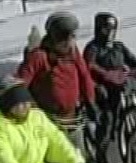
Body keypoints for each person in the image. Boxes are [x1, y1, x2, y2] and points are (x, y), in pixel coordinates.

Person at [15, 11, 99, 140]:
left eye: (71, 37)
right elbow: (21, 83)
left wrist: (90, 101)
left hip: (72, 120)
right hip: (48, 122)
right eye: (63, 37)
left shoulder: (73, 54)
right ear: (54, 36)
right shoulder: (40, 56)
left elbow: (84, 76)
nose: (67, 42)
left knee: (78, 157)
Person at [83, 12, 136, 163]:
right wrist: (102, 77)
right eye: (107, 29)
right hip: (104, 92)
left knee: (129, 122)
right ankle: (101, 155)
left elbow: (131, 60)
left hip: (122, 90)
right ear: (99, 29)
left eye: (113, 28)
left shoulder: (119, 47)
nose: (110, 32)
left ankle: (132, 158)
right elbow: (88, 67)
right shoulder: (93, 48)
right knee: (108, 121)